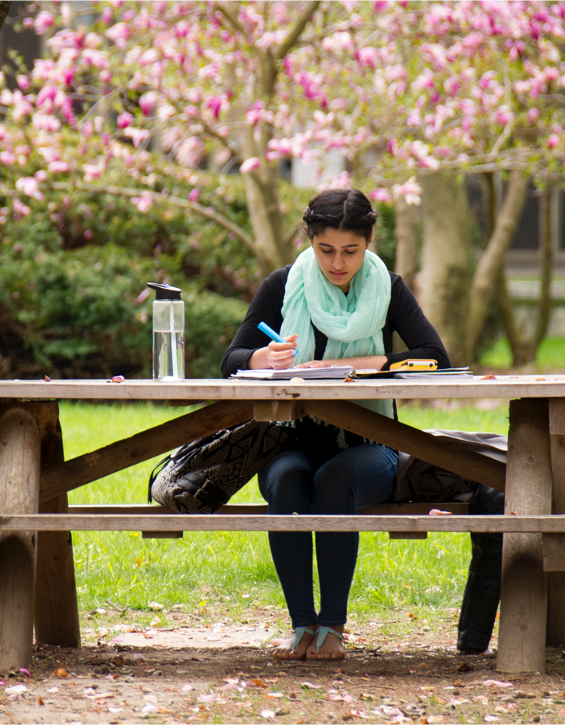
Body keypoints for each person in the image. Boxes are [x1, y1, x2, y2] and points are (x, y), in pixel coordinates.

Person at [220, 188, 450, 661]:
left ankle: (333, 627)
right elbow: (231, 361)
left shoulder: (388, 288)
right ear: (309, 240)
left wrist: (373, 360)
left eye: (351, 251)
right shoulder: (283, 285)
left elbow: (436, 358)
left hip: (371, 441)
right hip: (292, 440)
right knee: (286, 479)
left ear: (369, 241)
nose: (337, 263)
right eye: (326, 250)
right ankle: (302, 624)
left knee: (333, 479)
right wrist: (263, 358)